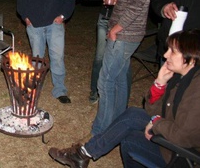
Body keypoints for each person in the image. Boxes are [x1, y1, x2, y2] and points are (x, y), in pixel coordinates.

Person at [48, 29, 200, 168]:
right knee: (132, 114)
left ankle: (81, 155)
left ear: (191, 58)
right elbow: (153, 110)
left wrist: (156, 123)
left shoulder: (196, 90)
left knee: (129, 139)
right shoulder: (182, 78)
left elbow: (183, 136)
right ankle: (83, 154)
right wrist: (159, 85)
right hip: (171, 134)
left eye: (172, 52)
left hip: (181, 156)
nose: (165, 55)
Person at [91, 0, 153, 136]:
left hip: (124, 36)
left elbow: (135, 7)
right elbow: (135, 1)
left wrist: (116, 29)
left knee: (106, 80)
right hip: (128, 35)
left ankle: (101, 130)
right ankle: (118, 122)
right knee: (119, 80)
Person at [17, 0, 76, 104]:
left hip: (54, 23)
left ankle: (59, 90)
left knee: (57, 57)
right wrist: (26, 17)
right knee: (37, 59)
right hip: (35, 25)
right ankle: (33, 89)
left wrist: (63, 15)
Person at [66, 0, 125, 104]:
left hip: (121, 22)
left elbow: (137, 1)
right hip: (104, 18)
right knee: (99, 56)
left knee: (118, 58)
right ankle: (95, 90)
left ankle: (113, 93)